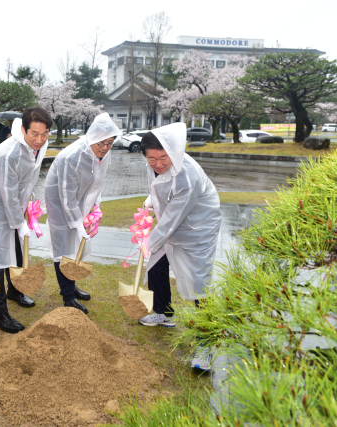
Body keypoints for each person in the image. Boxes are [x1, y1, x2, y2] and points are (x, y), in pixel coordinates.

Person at [138, 122, 221, 371]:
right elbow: (162, 190)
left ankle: (206, 343)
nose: (158, 164)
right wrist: (150, 201)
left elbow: (173, 220)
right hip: (173, 224)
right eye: (151, 159)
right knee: (156, 267)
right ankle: (163, 312)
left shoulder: (189, 175)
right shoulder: (156, 165)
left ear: (173, 152)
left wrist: (148, 243)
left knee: (199, 285)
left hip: (197, 231)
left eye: (163, 158)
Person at [0, 106, 52, 333]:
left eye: (44, 133)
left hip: (12, 198)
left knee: (16, 246)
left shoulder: (39, 145)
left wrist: (27, 201)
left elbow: (25, 179)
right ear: (23, 130)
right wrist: (19, 223)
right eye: (34, 134)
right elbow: (6, 192)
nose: (39, 139)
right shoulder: (10, 153)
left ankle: (15, 290)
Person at [45, 113, 121, 315]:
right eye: (101, 143)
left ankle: (72, 285)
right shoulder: (71, 157)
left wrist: (95, 203)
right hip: (59, 203)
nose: (105, 148)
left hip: (80, 198)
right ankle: (67, 296)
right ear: (92, 137)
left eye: (110, 143)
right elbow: (66, 196)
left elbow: (98, 180)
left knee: (76, 246)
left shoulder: (102, 153)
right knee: (63, 248)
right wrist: (77, 224)